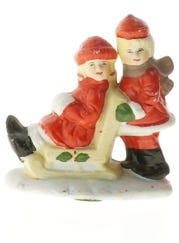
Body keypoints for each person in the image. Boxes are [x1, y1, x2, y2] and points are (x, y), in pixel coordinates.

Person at [6, 36, 135, 159]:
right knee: (48, 124)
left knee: (52, 128)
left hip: (78, 131)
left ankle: (27, 145)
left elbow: (89, 117)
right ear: (83, 68)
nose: (99, 68)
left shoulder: (96, 91)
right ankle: (26, 136)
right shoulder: (92, 84)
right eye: (92, 64)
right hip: (73, 123)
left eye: (103, 64)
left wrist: (65, 106)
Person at [115, 14, 174, 180]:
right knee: (129, 136)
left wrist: (139, 111)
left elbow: (151, 96)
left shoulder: (149, 73)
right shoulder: (129, 70)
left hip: (147, 114)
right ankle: (134, 159)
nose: (135, 55)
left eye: (140, 50)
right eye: (129, 51)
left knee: (145, 139)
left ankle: (155, 166)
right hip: (132, 113)